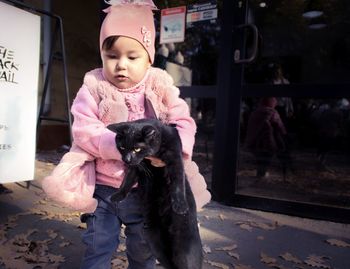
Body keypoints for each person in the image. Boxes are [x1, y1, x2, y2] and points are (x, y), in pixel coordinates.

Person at [41, 1, 211, 269]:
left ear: (149, 57)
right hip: (104, 190)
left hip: (147, 191)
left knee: (143, 249)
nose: (121, 65)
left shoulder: (158, 84)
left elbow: (183, 122)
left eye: (132, 57)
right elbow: (84, 129)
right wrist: (118, 145)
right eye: (112, 56)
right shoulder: (94, 86)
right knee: (97, 246)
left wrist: (169, 152)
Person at [245, 97, 287, 178]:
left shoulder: (255, 112)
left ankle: (260, 173)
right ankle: (261, 175)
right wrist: (284, 134)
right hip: (267, 141)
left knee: (259, 158)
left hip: (254, 141)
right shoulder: (273, 112)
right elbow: (280, 126)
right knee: (266, 158)